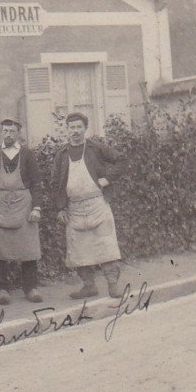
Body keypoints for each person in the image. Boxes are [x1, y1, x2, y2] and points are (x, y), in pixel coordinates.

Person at [51, 112, 124, 299]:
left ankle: (113, 285)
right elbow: (56, 183)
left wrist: (107, 179)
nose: (75, 131)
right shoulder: (62, 154)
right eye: (71, 127)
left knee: (106, 245)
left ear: (85, 128)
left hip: (97, 204)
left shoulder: (96, 148)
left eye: (78, 127)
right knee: (78, 249)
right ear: (67, 129)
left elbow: (122, 160)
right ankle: (89, 286)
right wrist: (60, 208)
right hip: (74, 208)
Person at [0, 118, 44, 305]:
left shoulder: (27, 155)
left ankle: (30, 288)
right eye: (5, 131)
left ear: (18, 134)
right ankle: (1, 289)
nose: (8, 135)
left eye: (12, 131)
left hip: (24, 205)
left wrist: (37, 208)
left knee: (29, 248)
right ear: (1, 133)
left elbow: (36, 183)